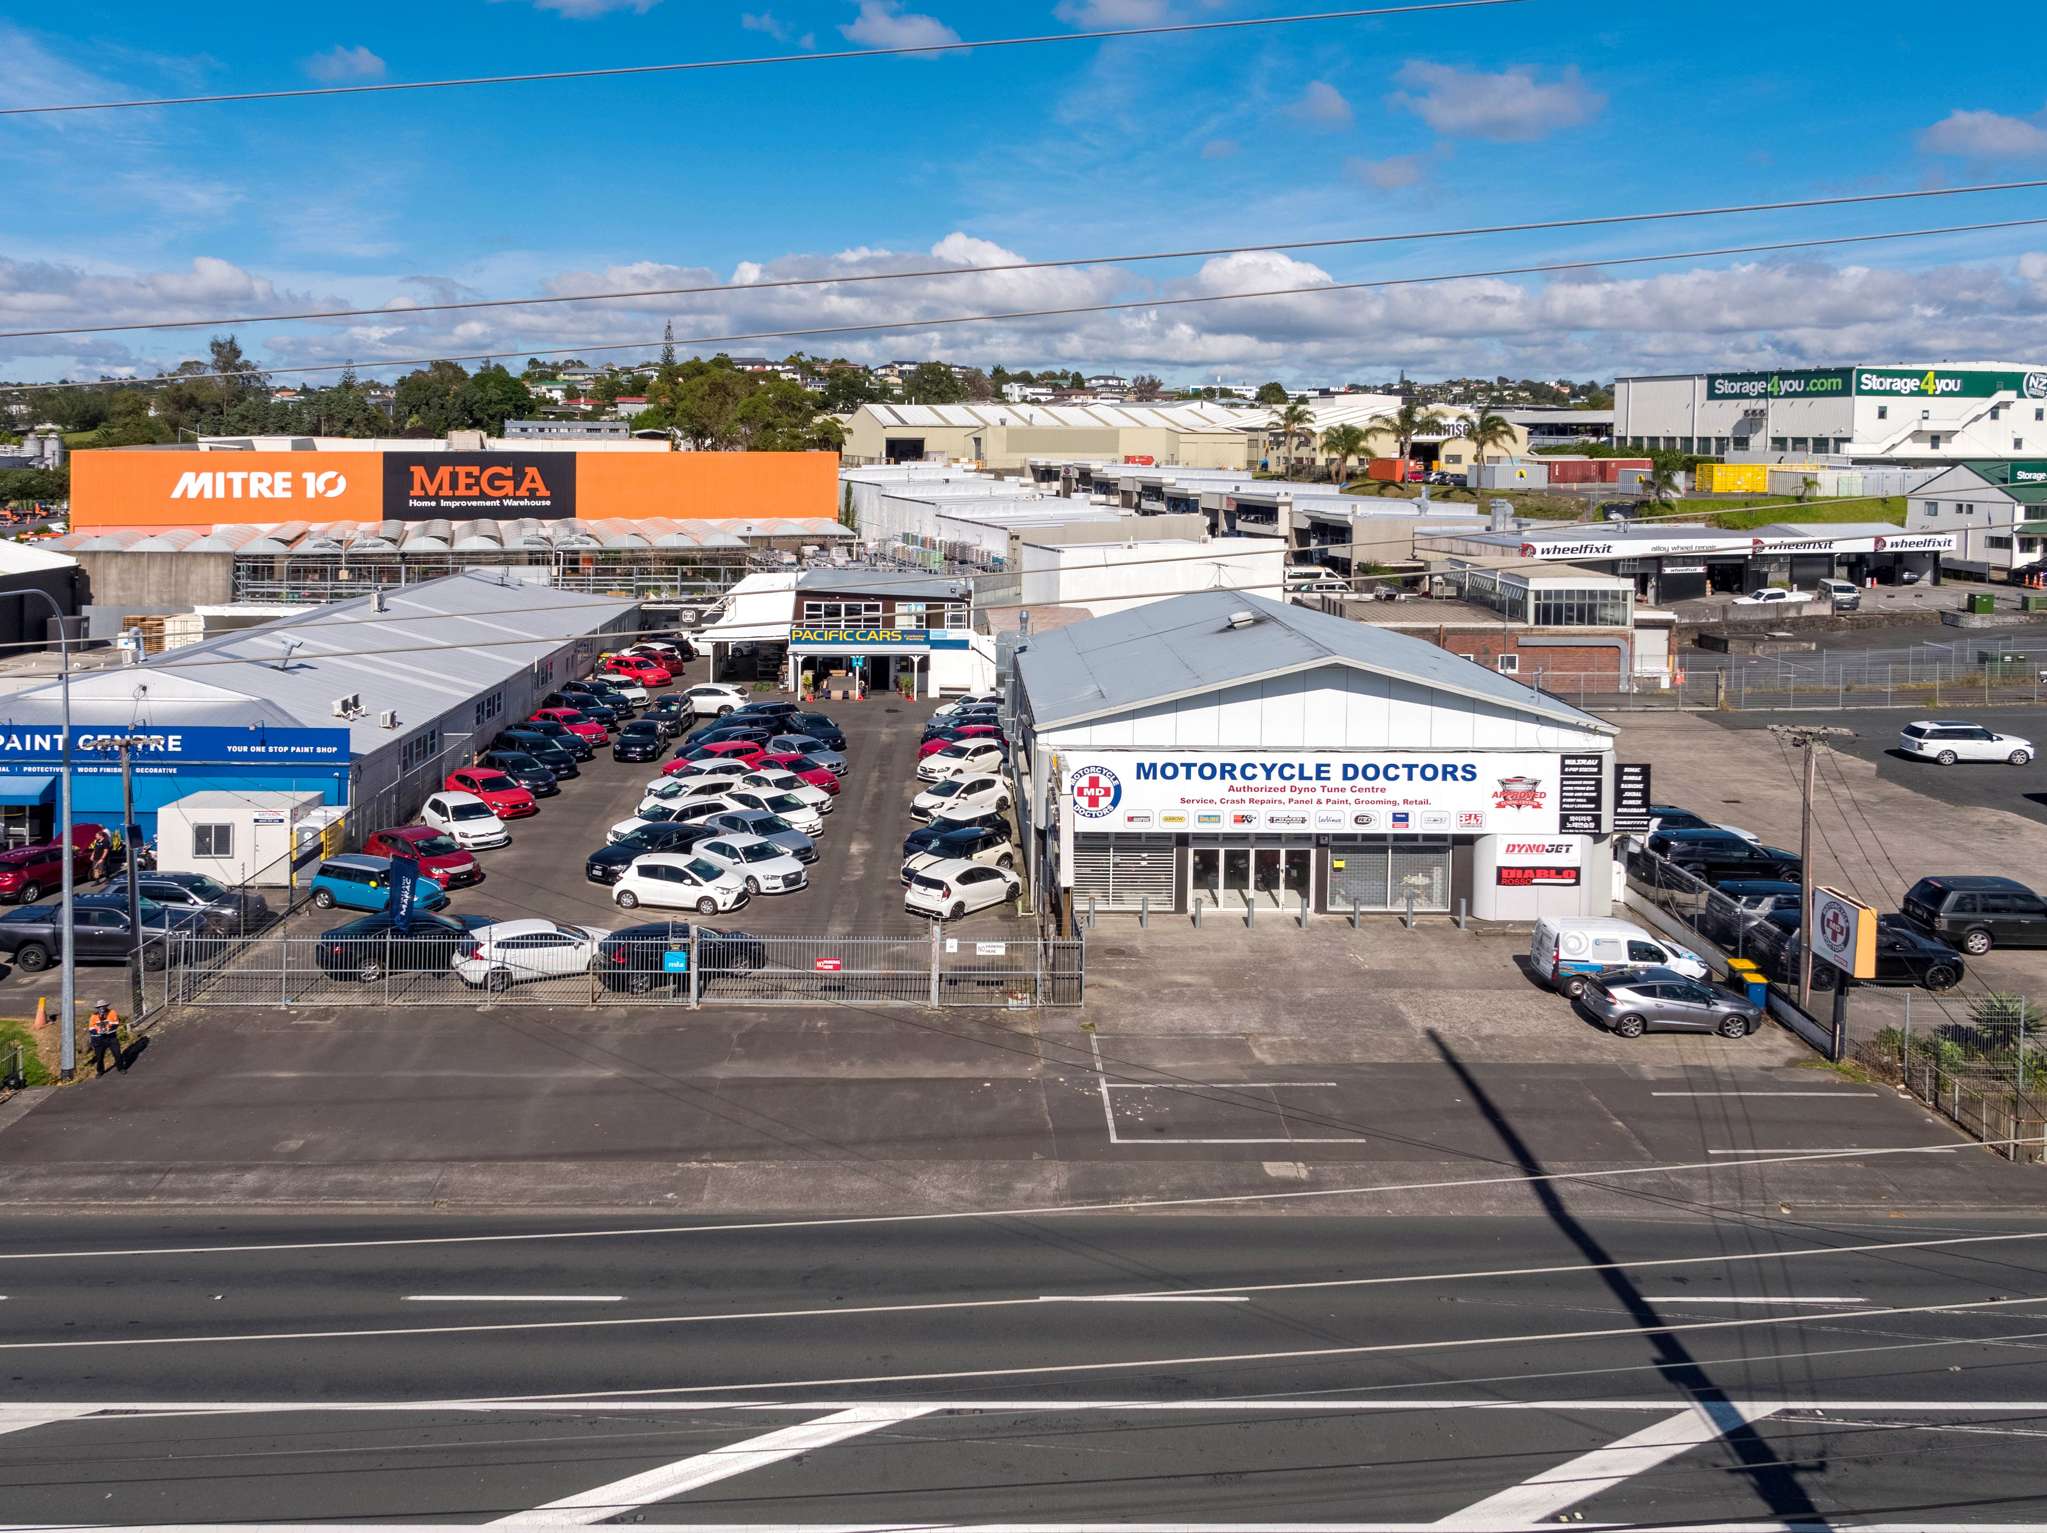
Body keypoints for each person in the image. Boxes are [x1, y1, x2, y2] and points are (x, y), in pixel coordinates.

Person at [86, 1001, 124, 1076]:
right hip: (99, 1039)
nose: (102, 1008)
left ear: (106, 1006)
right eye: (99, 1007)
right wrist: (98, 1032)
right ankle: (100, 1071)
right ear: (97, 1008)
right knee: (99, 1057)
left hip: (111, 1037)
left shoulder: (112, 1013)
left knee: (117, 1054)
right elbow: (91, 1028)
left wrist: (108, 1030)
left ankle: (121, 1068)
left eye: (103, 1006)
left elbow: (116, 1024)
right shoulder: (93, 1016)